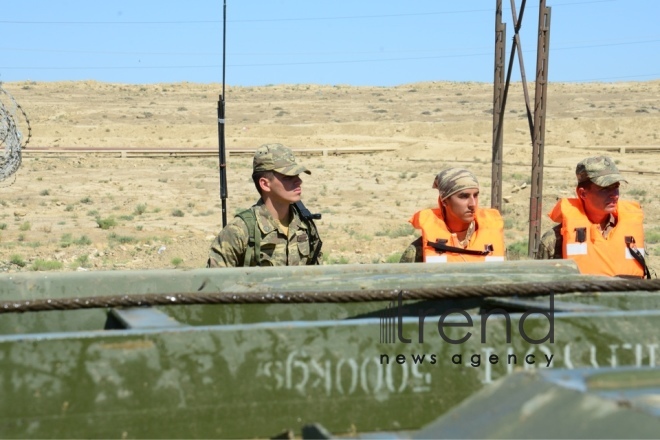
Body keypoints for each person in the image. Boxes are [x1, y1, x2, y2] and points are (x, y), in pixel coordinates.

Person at [207, 143, 322, 267]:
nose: (299, 181)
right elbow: (214, 283)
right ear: (265, 184)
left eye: (297, 176)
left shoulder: (305, 225)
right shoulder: (240, 231)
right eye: (288, 177)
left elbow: (316, 277)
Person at [536, 155, 651, 278]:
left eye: (616, 187)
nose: (614, 195)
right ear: (583, 193)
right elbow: (541, 290)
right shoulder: (554, 239)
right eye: (605, 189)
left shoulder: (631, 236)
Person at [400, 168, 505, 263]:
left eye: (475, 195)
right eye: (464, 196)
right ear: (444, 201)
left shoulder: (493, 244)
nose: (473, 204)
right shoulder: (418, 250)